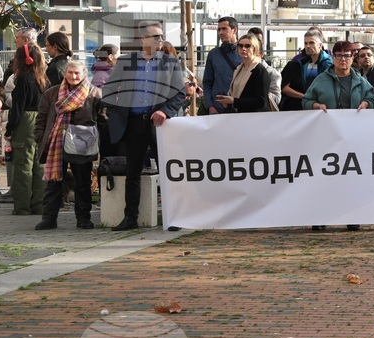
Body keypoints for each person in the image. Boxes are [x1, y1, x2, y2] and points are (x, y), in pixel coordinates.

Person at [102, 21, 185, 231]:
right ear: (143, 39)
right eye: (156, 36)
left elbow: (180, 94)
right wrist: (118, 112)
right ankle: (130, 218)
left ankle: (172, 217)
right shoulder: (126, 61)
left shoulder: (170, 63)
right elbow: (110, 89)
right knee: (133, 172)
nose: (161, 40)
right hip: (133, 124)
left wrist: (164, 111)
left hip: (159, 125)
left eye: (161, 36)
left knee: (167, 172)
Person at [303, 40, 374, 232]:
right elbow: (306, 100)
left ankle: (352, 216)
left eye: (347, 56)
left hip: (353, 138)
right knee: (325, 178)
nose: (343, 60)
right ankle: (321, 216)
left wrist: (367, 104)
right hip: (327, 137)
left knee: (351, 178)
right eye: (339, 56)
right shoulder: (321, 79)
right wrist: (316, 106)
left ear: (353, 58)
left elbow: (372, 98)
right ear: (333, 57)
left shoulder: (361, 81)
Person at [33, 60, 107, 230]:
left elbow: (103, 120)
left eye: (77, 73)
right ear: (65, 74)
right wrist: (40, 138)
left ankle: (83, 218)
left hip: (82, 143)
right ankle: (49, 218)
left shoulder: (94, 93)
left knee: (82, 182)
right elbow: (41, 119)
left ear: (84, 74)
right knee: (53, 182)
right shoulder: (52, 93)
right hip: (56, 143)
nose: (73, 76)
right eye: (70, 73)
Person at [6, 44, 50, 215]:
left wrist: (10, 129)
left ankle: (22, 207)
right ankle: (39, 206)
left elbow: (17, 108)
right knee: (40, 166)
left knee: (23, 166)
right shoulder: (45, 79)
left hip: (26, 123)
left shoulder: (24, 79)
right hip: (42, 122)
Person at [215, 33, 271, 113]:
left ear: (254, 48)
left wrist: (234, 101)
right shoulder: (239, 69)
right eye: (240, 46)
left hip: (254, 118)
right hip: (238, 115)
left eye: (248, 46)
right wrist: (228, 101)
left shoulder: (259, 70)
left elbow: (261, 101)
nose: (243, 48)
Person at [280, 28, 333, 111]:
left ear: (320, 45)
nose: (308, 46)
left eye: (311, 43)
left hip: (322, 108)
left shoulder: (328, 64)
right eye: (306, 43)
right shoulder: (302, 63)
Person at [203, 16, 241, 114]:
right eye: (219, 29)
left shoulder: (244, 53)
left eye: (224, 29)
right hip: (217, 109)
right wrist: (210, 105)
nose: (220, 32)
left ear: (234, 30)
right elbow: (207, 82)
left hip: (239, 108)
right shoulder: (213, 54)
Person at [247, 28, 282, 109]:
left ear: (261, 54)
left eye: (257, 40)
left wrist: (258, 93)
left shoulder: (273, 73)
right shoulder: (240, 70)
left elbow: (276, 99)